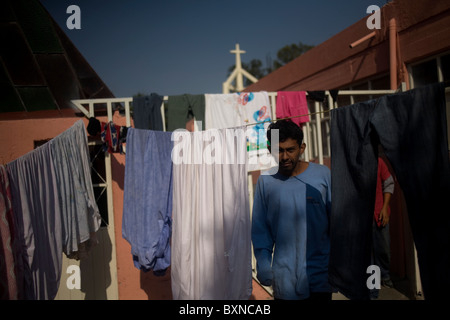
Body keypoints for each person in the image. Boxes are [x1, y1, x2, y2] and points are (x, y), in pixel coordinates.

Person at [251, 119, 332, 300]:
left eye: (290, 150)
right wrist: (263, 263)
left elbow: (337, 222)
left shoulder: (323, 175)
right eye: (278, 150)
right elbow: (260, 229)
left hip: (320, 275)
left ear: (301, 148)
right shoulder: (266, 181)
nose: (285, 156)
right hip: (284, 279)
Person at [370, 156, 395, 299]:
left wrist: (385, 208)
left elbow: (389, 183)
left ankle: (384, 275)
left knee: (383, 249)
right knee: (369, 255)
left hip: (380, 215)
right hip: (362, 219)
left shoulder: (378, 161)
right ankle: (373, 288)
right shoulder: (354, 162)